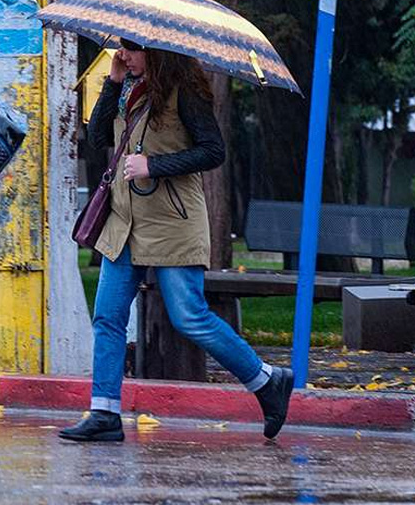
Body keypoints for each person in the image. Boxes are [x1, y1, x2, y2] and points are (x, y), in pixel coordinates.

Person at [59, 39, 294, 443]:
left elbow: (212, 151)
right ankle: (104, 412)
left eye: (131, 50)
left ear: (158, 51)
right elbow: (99, 137)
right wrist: (112, 83)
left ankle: (267, 380)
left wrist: (154, 165)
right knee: (108, 317)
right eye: (122, 48)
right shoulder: (127, 89)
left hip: (173, 222)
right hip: (125, 222)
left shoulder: (184, 91)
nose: (124, 55)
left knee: (189, 316)